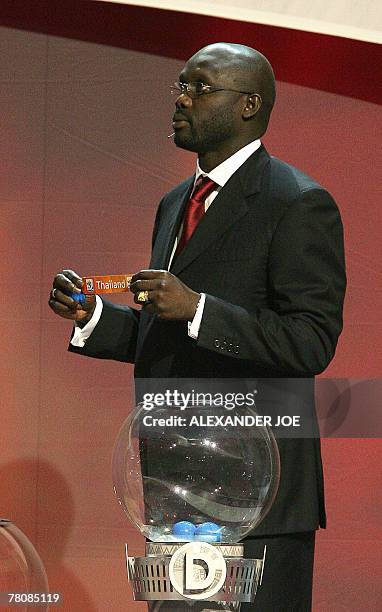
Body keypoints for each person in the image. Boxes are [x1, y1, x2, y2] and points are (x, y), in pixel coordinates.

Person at [49, 42, 346, 610]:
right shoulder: (172, 204)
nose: (180, 100)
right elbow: (168, 332)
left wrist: (199, 309)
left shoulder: (298, 202)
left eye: (199, 87)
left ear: (249, 105)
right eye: (180, 85)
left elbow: (311, 340)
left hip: (259, 499)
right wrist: (95, 320)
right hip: (176, 494)